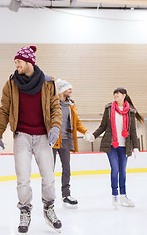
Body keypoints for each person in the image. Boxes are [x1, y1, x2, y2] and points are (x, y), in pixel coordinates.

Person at [0, 45, 62, 234]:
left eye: (18, 61)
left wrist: (55, 127)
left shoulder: (48, 82)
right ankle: (24, 210)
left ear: (29, 61)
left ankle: (49, 208)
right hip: (21, 135)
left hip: (43, 136)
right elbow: (4, 110)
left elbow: (56, 107)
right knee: (23, 179)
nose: (16, 65)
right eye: (15, 62)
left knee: (48, 177)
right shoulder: (11, 83)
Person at [85, 87, 144, 208]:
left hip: (125, 146)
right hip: (111, 144)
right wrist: (93, 136)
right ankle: (115, 196)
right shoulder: (109, 109)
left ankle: (124, 196)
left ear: (124, 95)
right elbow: (103, 126)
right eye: (114, 94)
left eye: (118, 94)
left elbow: (132, 130)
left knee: (123, 171)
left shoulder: (131, 111)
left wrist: (136, 147)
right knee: (115, 169)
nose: (116, 96)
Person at [53, 79, 94, 208]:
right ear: (60, 90)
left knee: (67, 169)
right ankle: (48, 197)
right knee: (49, 170)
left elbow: (76, 122)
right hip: (52, 141)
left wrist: (86, 132)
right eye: (67, 88)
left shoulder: (71, 105)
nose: (71, 90)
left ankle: (66, 194)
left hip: (65, 140)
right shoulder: (52, 103)